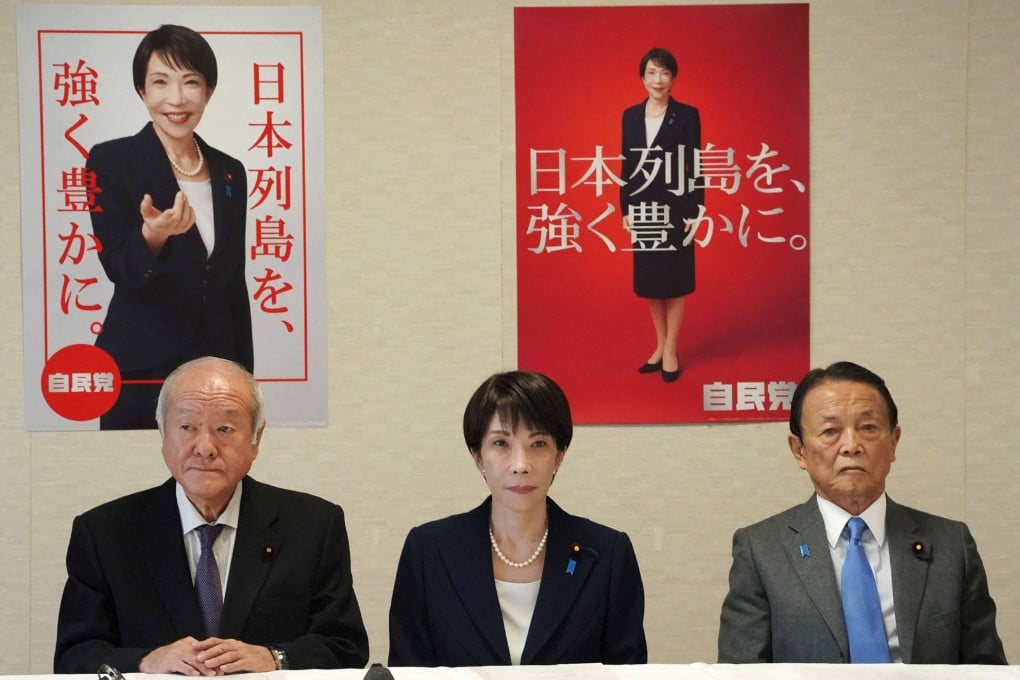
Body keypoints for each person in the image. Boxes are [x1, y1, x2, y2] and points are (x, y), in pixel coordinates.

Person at [54, 357, 368, 674]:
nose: (205, 447)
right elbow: (74, 655)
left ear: (256, 437)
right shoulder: (104, 534)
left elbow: (345, 646)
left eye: (224, 429)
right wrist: (146, 661)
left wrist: (275, 658)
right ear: (163, 434)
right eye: (187, 427)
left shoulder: (314, 526)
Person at [717, 361, 1006, 664]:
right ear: (799, 450)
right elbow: (740, 672)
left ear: (893, 442)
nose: (851, 446)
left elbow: (987, 670)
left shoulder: (951, 545)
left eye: (868, 428)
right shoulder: (761, 550)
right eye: (830, 431)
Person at [388, 371, 647, 666]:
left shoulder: (607, 554)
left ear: (559, 455)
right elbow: (408, 668)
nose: (520, 465)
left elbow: (629, 670)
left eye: (538, 444)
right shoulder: (428, 551)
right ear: (477, 456)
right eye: (501, 443)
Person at [88, 25, 253, 430]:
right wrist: (154, 236)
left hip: (214, 374)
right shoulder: (112, 161)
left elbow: (233, 280)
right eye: (160, 82)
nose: (176, 98)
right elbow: (120, 269)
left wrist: (244, 377)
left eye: (190, 82)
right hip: (140, 367)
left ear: (208, 90)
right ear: (142, 91)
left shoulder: (230, 171)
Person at [620, 47, 703, 383]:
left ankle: (671, 349)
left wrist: (696, 209)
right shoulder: (629, 116)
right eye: (652, 73)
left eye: (665, 73)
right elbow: (626, 164)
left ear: (673, 78)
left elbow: (696, 164)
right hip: (643, 208)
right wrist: (625, 208)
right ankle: (659, 345)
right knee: (651, 284)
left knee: (675, 281)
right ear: (642, 77)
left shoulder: (687, 115)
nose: (658, 79)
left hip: (678, 208)